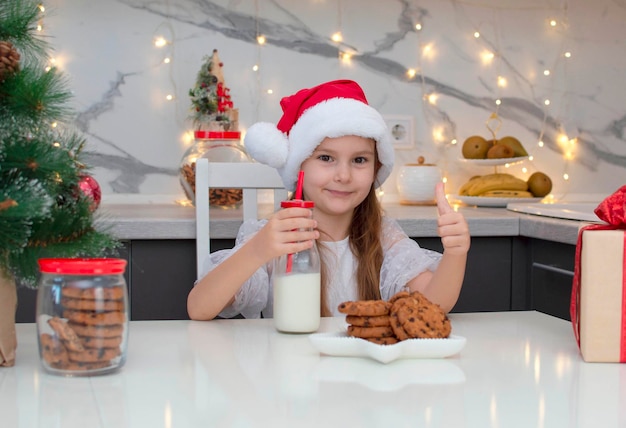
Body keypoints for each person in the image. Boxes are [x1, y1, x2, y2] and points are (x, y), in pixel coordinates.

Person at [187, 79, 470, 321]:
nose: (343, 175)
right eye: (326, 158)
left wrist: (456, 253)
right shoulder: (274, 240)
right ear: (299, 168)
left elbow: (434, 306)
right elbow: (199, 308)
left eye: (359, 160)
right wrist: (258, 250)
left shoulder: (383, 237)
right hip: (288, 375)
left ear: (375, 170)